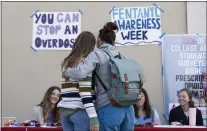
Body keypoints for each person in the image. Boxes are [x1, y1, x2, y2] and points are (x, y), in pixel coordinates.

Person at [63, 22, 135, 131]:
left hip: (109, 106)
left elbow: (81, 73)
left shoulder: (96, 54)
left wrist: (67, 72)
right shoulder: (121, 56)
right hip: (128, 108)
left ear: (100, 40)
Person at [58, 31, 99, 131]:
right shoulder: (85, 63)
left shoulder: (67, 61)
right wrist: (93, 117)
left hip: (64, 111)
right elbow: (84, 91)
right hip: (80, 111)